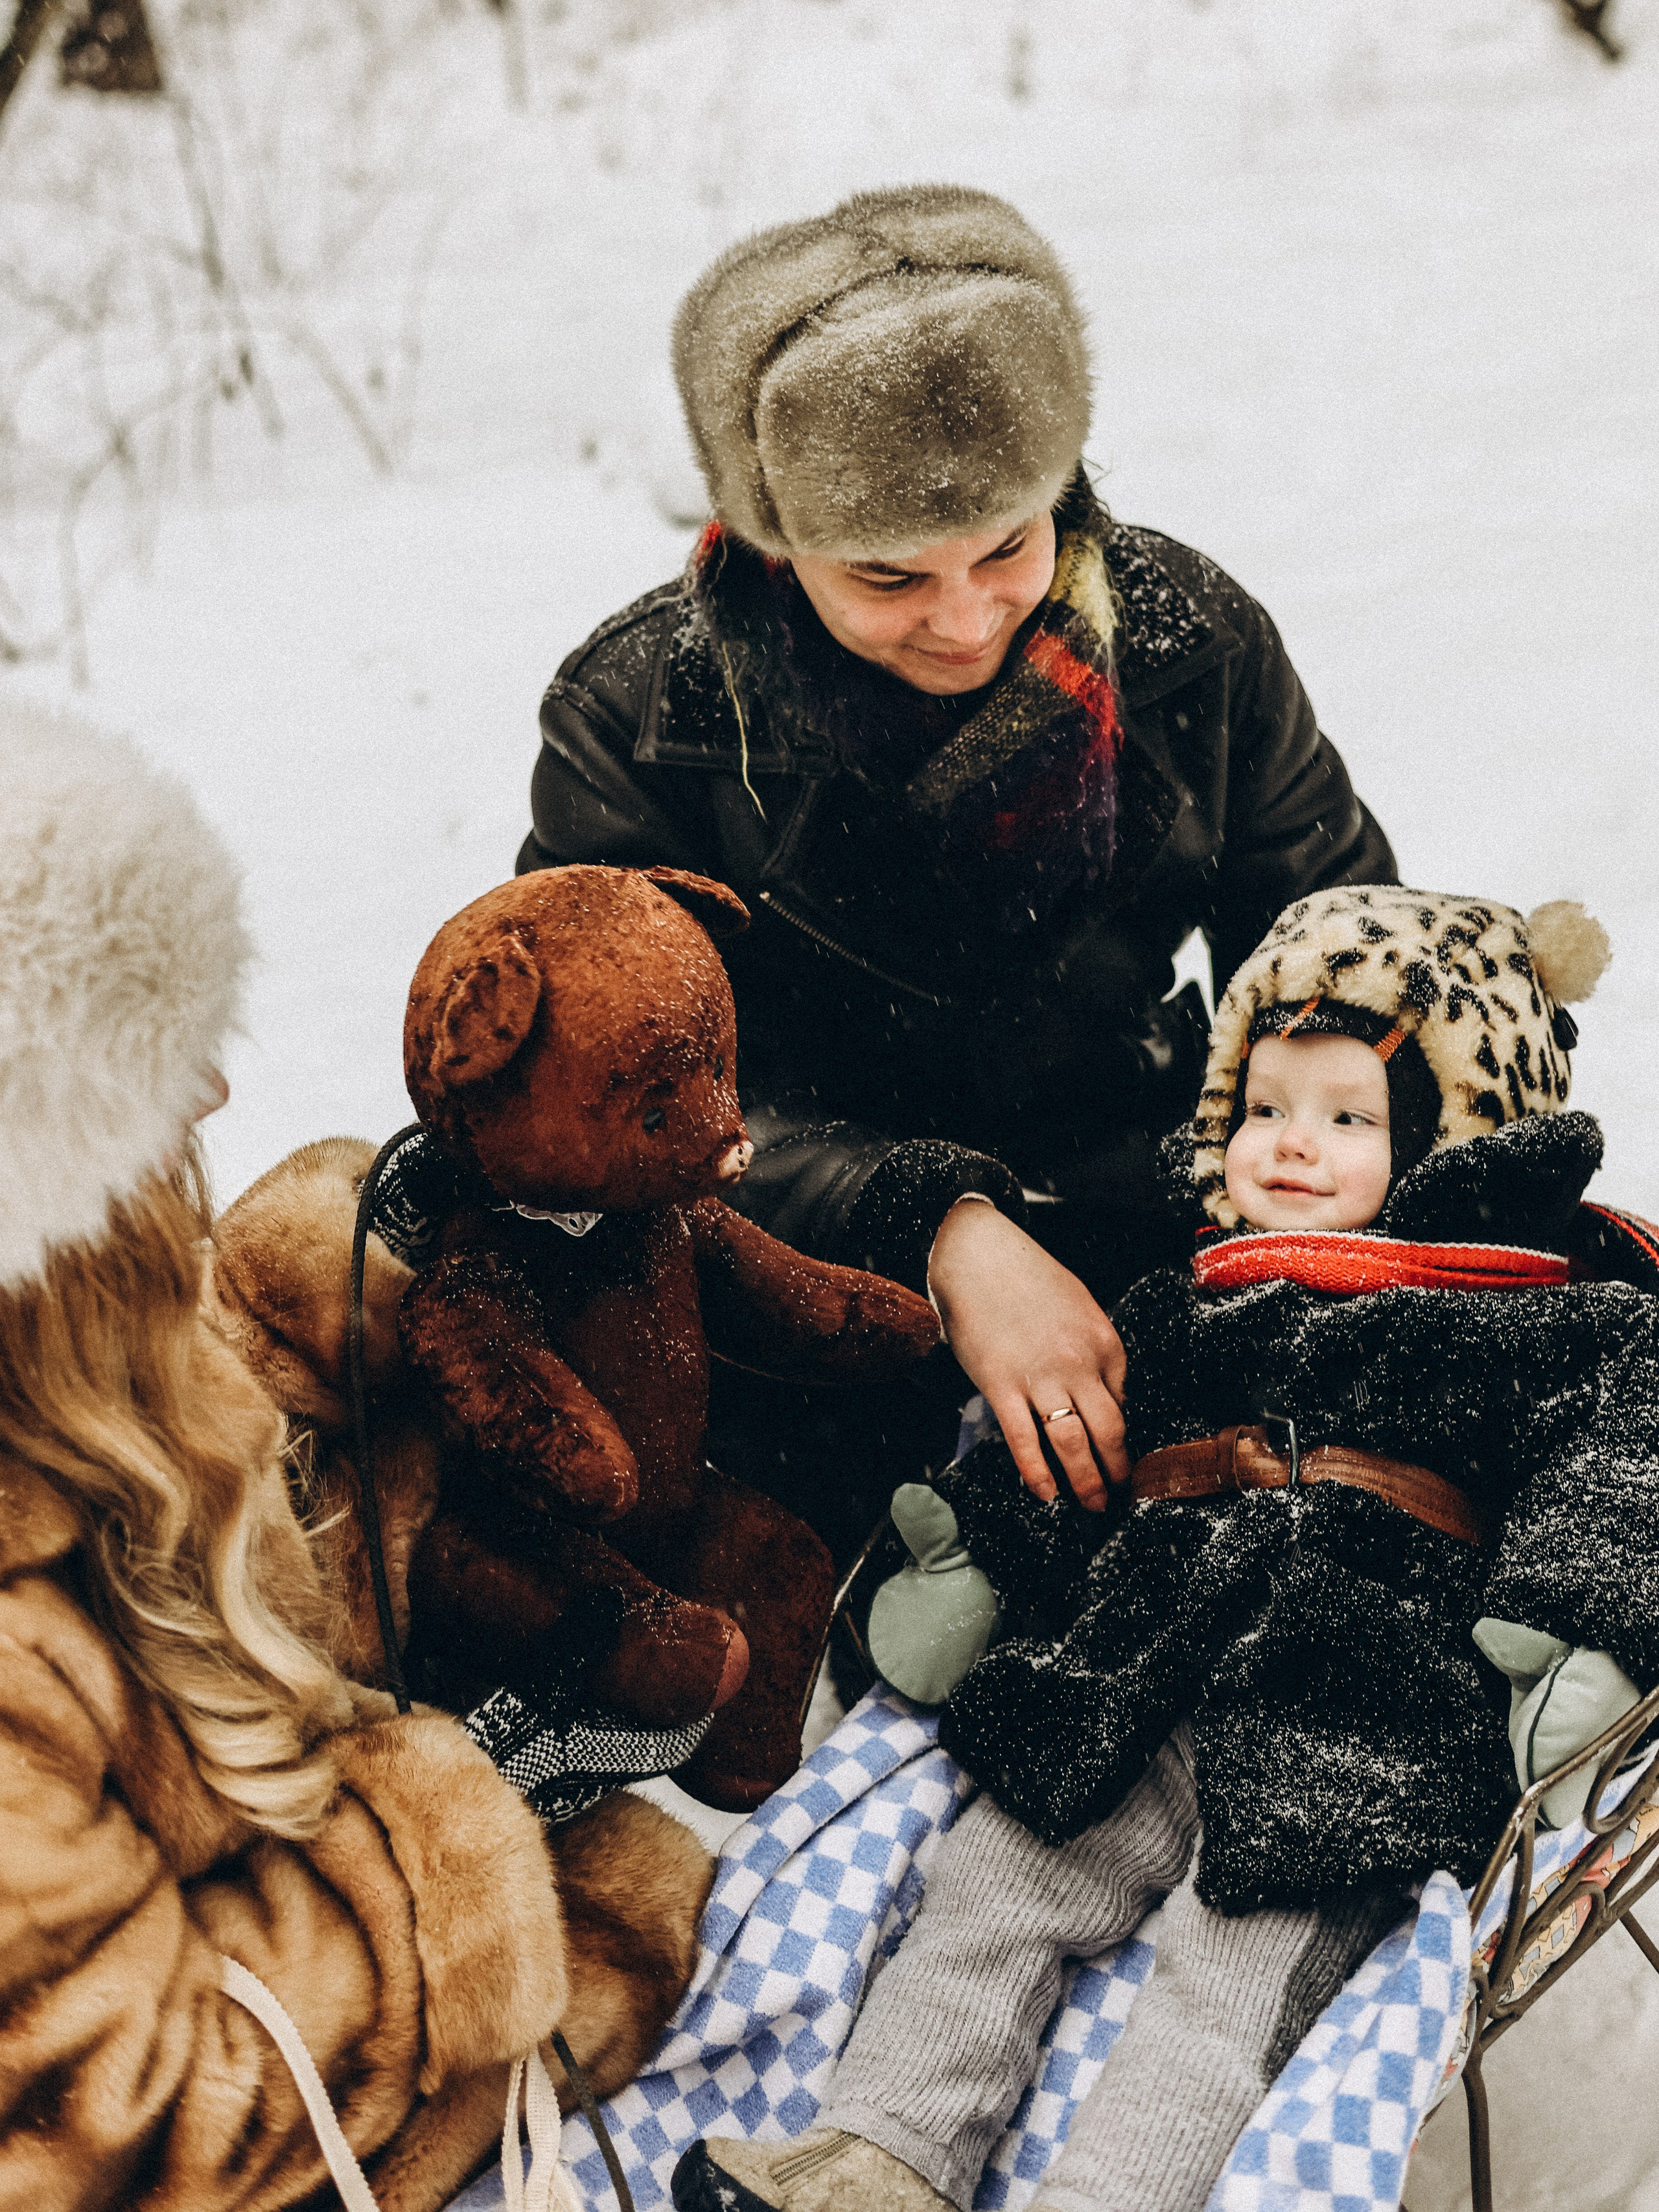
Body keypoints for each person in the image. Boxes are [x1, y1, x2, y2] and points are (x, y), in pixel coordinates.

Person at [671, 882, 1659, 2212]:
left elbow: (1618, 1457)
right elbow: (1087, 1448)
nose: (1287, 1145)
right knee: (993, 1889)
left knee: (1230, 1978)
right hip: (1130, 1670)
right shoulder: (1185, 1300)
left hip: (1357, 1707)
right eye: (1261, 1108)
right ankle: (880, 2155)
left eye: (1347, 1117)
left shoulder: (1539, 1319)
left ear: (1451, 1140)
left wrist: (1571, 1622)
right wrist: (983, 1559)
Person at [518, 183, 1397, 1563]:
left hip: (1152, 1218)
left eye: (1006, 543)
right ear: (768, 538)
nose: (966, 614)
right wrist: (939, 1221)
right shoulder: (640, 724)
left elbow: (1334, 958)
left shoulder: (1191, 644)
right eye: (886, 577)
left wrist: (1332, 1170)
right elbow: (607, 1100)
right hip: (798, 1295)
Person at [0, 704, 598, 2211]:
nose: (213, 1096)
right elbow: (127, 2113)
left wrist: (321, 1338)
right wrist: (440, 1857)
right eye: (149, 1078)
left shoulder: (63, 1365)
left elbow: (171, 1584)